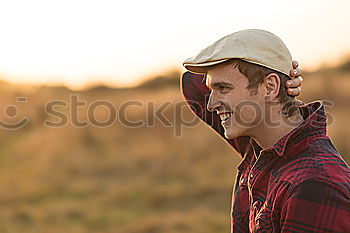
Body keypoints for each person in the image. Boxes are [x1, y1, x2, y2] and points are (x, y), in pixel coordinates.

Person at [182, 29, 350, 232]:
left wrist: (278, 73)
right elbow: (190, 82)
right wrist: (280, 70)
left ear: (270, 87)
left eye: (223, 88)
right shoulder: (259, 143)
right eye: (211, 90)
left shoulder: (314, 185)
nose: (211, 104)